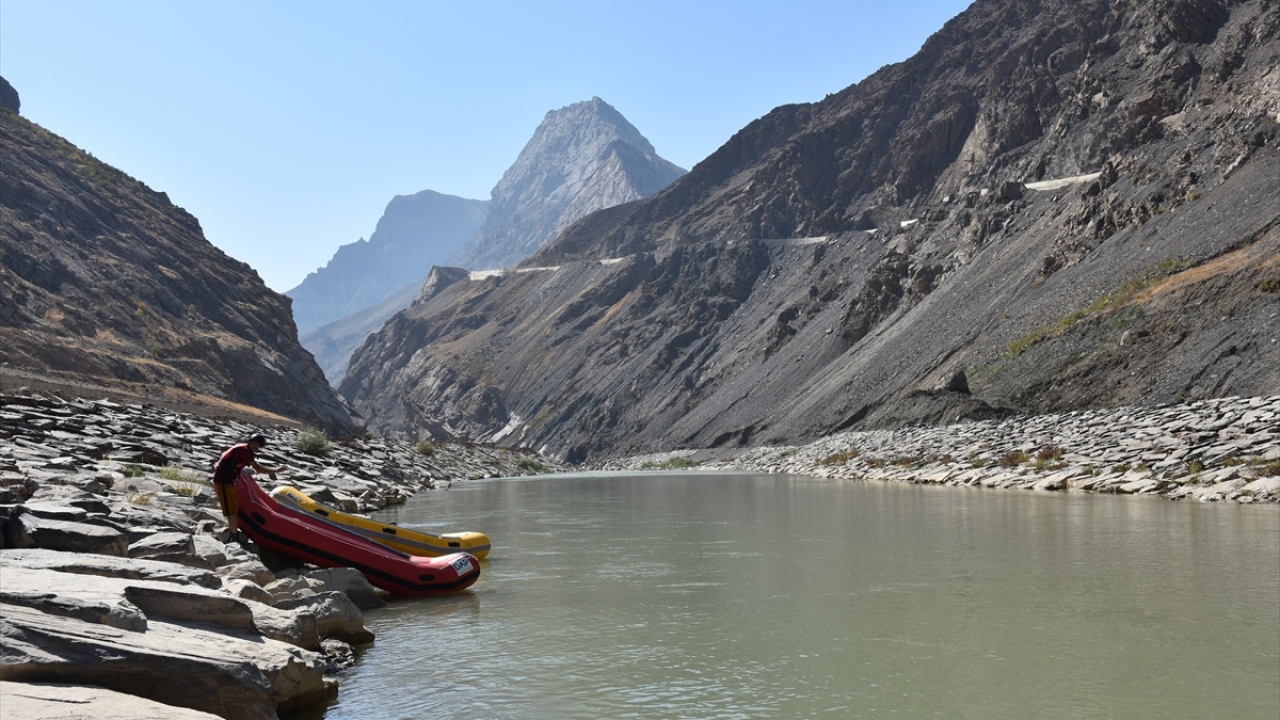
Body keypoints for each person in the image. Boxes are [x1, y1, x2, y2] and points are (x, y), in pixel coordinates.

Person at [212, 433, 287, 537]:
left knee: (232, 508)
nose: (256, 446)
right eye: (255, 443)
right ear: (250, 442)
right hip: (223, 480)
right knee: (231, 510)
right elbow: (258, 469)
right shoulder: (245, 452)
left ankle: (232, 532)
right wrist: (276, 470)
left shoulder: (244, 449)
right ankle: (233, 536)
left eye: (258, 445)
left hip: (224, 479)